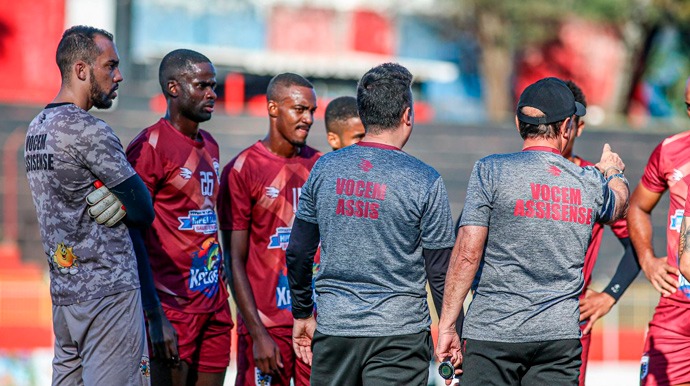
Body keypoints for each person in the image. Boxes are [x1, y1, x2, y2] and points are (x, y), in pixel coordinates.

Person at [436, 77, 629, 385]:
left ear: (518, 123)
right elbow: (618, 205)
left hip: (492, 333)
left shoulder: (490, 170)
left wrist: (447, 325)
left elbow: (467, 252)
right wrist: (613, 171)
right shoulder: (588, 180)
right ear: (567, 126)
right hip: (559, 338)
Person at [286, 62, 456, 386]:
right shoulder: (426, 180)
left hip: (335, 330)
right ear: (408, 115)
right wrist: (451, 329)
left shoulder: (324, 170)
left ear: (364, 115)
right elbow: (440, 272)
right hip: (400, 337)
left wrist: (303, 313)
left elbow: (297, 251)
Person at [24, 25, 154, 385]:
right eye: (109, 66)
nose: (119, 75)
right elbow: (143, 211)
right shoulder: (88, 129)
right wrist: (123, 200)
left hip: (65, 297)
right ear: (81, 70)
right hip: (107, 295)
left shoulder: (36, 128)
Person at [125, 49, 232, 386]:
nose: (212, 94)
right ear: (174, 88)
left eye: (213, 86)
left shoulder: (211, 145)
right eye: (202, 86)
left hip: (213, 304)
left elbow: (203, 217)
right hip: (171, 306)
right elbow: (132, 234)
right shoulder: (149, 147)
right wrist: (153, 313)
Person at [217, 73, 321, 386]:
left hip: (314, 324)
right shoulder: (242, 169)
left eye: (312, 111)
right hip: (266, 327)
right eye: (300, 109)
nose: (308, 119)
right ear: (273, 108)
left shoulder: (321, 166)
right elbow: (234, 260)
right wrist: (258, 333)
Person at [561, 80, 641, 385]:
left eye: (566, 123)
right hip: (511, 325)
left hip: (572, 325)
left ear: (577, 127)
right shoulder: (509, 175)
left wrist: (610, 295)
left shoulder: (594, 185)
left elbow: (637, 245)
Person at [629, 76, 690, 386]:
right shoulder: (671, 150)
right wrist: (648, 260)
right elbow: (638, 207)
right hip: (677, 309)